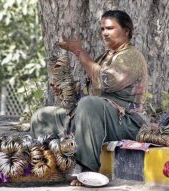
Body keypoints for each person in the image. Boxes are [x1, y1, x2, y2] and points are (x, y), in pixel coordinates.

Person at [30, 10, 149, 186]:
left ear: (126, 31)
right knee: (43, 116)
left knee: (89, 105)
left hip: (128, 123)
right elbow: (90, 92)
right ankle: (52, 166)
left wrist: (79, 51)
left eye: (110, 28)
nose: (104, 33)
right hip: (97, 119)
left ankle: (87, 171)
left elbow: (104, 81)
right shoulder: (106, 56)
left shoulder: (132, 57)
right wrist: (65, 90)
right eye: (102, 29)